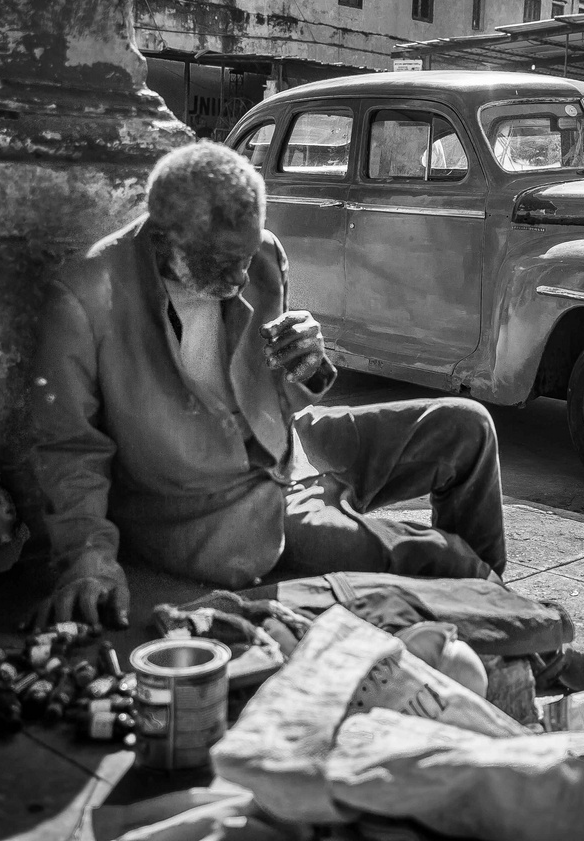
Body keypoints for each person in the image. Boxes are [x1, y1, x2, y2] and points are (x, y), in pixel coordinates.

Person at [27, 143, 507, 629]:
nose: (240, 276)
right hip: (223, 504)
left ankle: (493, 619)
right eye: (225, 261)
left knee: (466, 426)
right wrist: (87, 557)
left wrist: (312, 364)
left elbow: (279, 394)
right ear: (167, 235)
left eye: (248, 253)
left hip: (298, 445)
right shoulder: (86, 297)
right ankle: (498, 614)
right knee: (440, 558)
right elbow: (68, 450)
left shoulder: (263, 254)